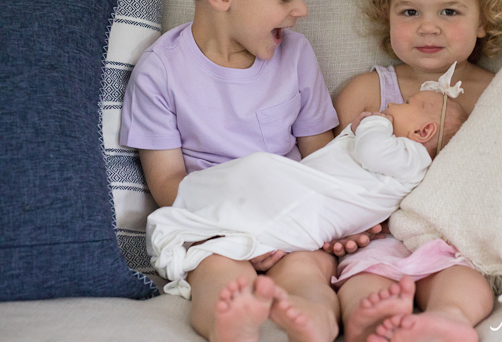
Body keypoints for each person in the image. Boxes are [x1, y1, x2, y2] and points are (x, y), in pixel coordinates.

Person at [121, 0, 349, 342]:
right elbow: (168, 183)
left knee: (307, 271)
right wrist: (239, 230)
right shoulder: (160, 72)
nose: (301, 9)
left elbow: (322, 159)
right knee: (217, 275)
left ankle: (314, 320)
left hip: (290, 219)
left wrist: (327, 223)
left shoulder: (296, 56)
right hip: (211, 226)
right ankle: (231, 325)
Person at [331, 0, 502, 342]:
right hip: (375, 238)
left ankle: (446, 319)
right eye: (410, 12)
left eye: (449, 12)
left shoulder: (496, 94)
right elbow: (333, 173)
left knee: (465, 283)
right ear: (387, 16)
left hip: (449, 238)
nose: (428, 28)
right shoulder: (365, 93)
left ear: (483, 19)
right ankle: (373, 321)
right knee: (361, 281)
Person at [146, 78, 467, 303]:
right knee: (256, 171)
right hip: (305, 191)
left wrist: (373, 123)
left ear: (423, 131)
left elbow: (371, 151)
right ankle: (214, 218)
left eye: (407, 103)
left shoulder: (413, 158)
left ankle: (214, 225)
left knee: (260, 171)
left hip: (311, 207)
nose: (393, 103)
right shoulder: (397, 151)